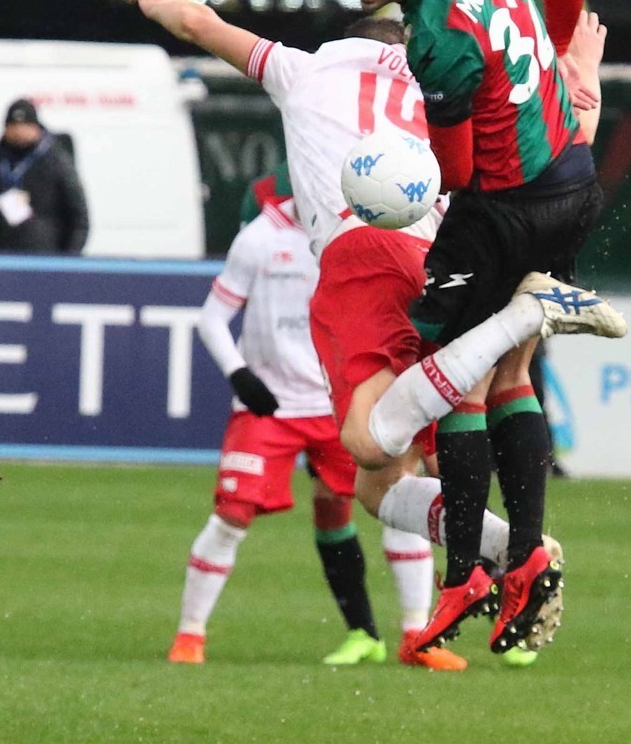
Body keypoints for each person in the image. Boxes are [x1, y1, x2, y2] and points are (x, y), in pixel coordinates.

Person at [132, 0, 619, 666]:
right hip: (442, 259)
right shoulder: (449, 86)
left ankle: (522, 325)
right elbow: (551, 156)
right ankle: (513, 546)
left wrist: (167, 7)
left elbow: (203, 27)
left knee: (366, 443)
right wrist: (581, 91)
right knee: (382, 483)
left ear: (346, 40)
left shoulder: (303, 70)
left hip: (360, 258)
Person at [333, 0, 625, 655]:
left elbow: (456, 171)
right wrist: (561, 55)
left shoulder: (434, 38)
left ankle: (467, 567)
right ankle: (525, 548)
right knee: (511, 372)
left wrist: (401, 180)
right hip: (573, 185)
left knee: (448, 365)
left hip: (502, 212)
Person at [169, 175, 466, 670]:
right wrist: (240, 375)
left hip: (340, 404)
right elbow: (211, 317)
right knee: (233, 513)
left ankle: (416, 635)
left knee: (393, 499)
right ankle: (189, 635)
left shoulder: (357, 232)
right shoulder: (260, 236)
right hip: (272, 408)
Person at [0, 98, 89, 253]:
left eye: (25, 125)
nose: (19, 131)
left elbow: (78, 218)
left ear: (36, 127)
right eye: (14, 125)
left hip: (44, 258)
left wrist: (68, 259)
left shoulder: (58, 165)